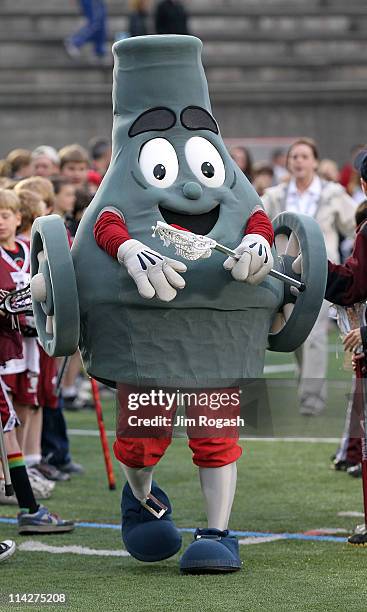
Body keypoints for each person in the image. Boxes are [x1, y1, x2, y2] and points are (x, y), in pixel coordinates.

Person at [262, 137, 356, 416]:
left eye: (304, 156)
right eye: (294, 157)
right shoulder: (275, 195)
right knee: (294, 337)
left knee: (314, 336)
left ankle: (311, 402)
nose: (299, 161)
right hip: (283, 276)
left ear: (314, 162)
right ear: (289, 163)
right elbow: (256, 221)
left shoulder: (333, 193)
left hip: (322, 275)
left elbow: (354, 223)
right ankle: (309, 388)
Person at [0, 189, 74, 533]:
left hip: (15, 348)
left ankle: (29, 507)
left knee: (10, 425)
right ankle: (29, 507)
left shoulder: (23, 252)